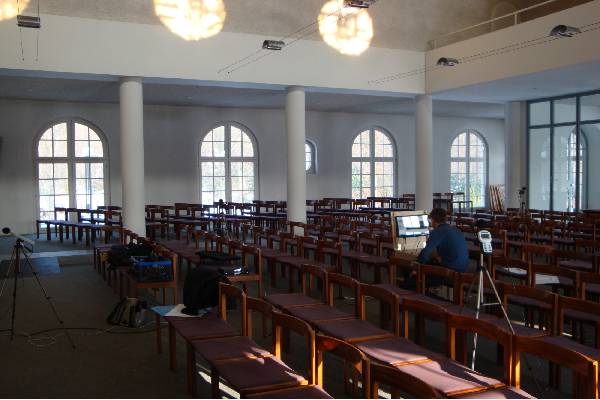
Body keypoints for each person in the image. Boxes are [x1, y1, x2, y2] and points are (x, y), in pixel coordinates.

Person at [417, 208, 469, 273]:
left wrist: (415, 265)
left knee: (414, 269)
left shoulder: (438, 231)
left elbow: (424, 254)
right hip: (463, 268)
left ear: (433, 220)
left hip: (451, 271)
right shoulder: (454, 229)